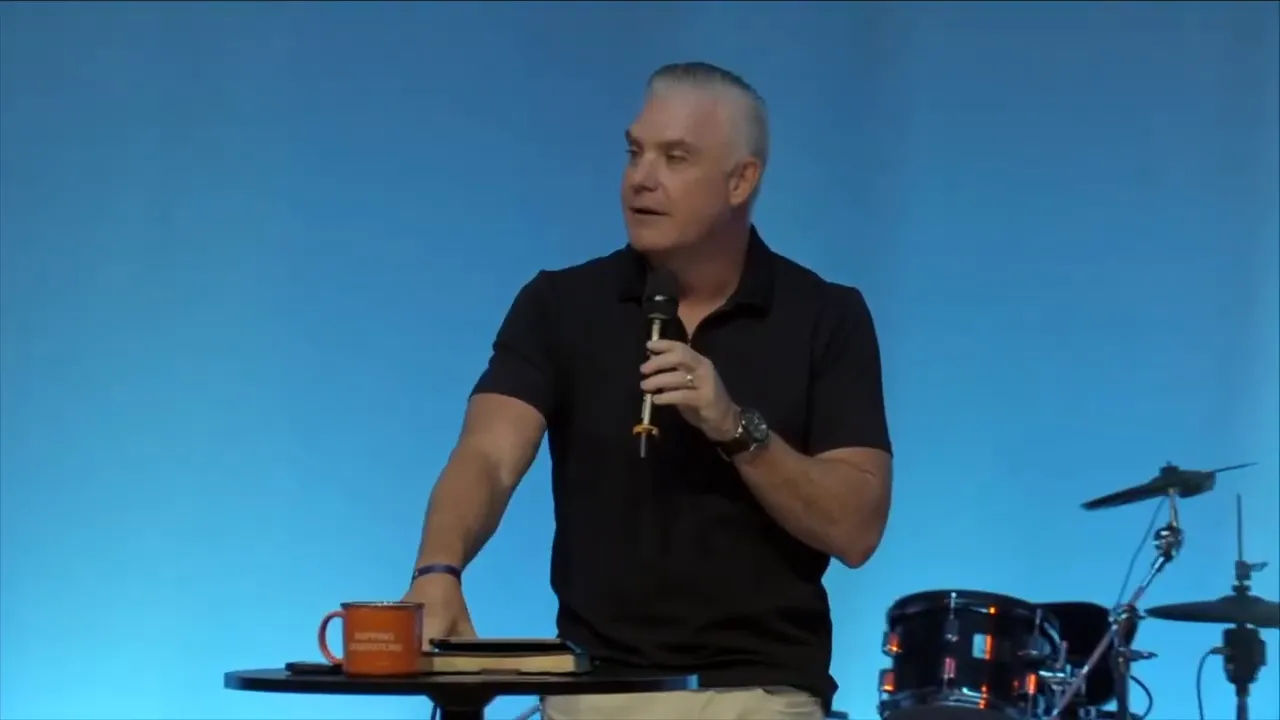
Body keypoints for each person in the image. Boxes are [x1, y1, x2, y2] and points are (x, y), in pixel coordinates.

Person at [402, 61, 893, 720]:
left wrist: (736, 428)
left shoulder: (825, 317)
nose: (642, 178)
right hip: (593, 688)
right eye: (635, 152)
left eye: (676, 157)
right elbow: (488, 457)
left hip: (755, 692)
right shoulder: (561, 305)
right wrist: (437, 570)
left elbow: (857, 528)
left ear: (741, 180)